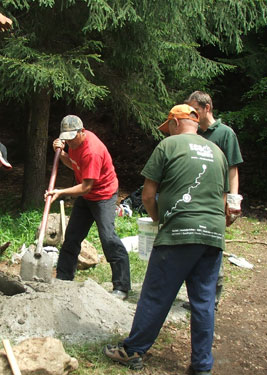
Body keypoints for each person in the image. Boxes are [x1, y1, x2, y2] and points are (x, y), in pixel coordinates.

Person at [104, 104, 229, 375]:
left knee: (156, 294)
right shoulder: (218, 153)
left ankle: (133, 349)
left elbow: (148, 195)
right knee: (204, 301)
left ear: (175, 123)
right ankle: (202, 366)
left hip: (180, 232)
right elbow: (223, 199)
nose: (166, 133)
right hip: (213, 234)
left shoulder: (169, 147)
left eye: (167, 127)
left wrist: (159, 220)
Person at [45, 115, 131, 300]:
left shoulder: (92, 151)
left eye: (71, 138)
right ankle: (63, 278)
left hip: (103, 195)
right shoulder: (72, 142)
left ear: (82, 132)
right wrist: (62, 154)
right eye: (65, 139)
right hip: (86, 195)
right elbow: (74, 164)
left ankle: (122, 286)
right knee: (72, 236)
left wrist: (60, 192)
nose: (69, 142)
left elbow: (86, 186)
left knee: (108, 238)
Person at [186, 90, 244, 308]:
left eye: (195, 110)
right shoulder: (193, 133)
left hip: (217, 199)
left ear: (206, 108)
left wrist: (233, 200)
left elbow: (232, 169)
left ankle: (212, 299)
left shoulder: (224, 134)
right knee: (194, 244)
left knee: (213, 245)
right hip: (195, 198)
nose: (192, 115)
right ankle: (196, 297)